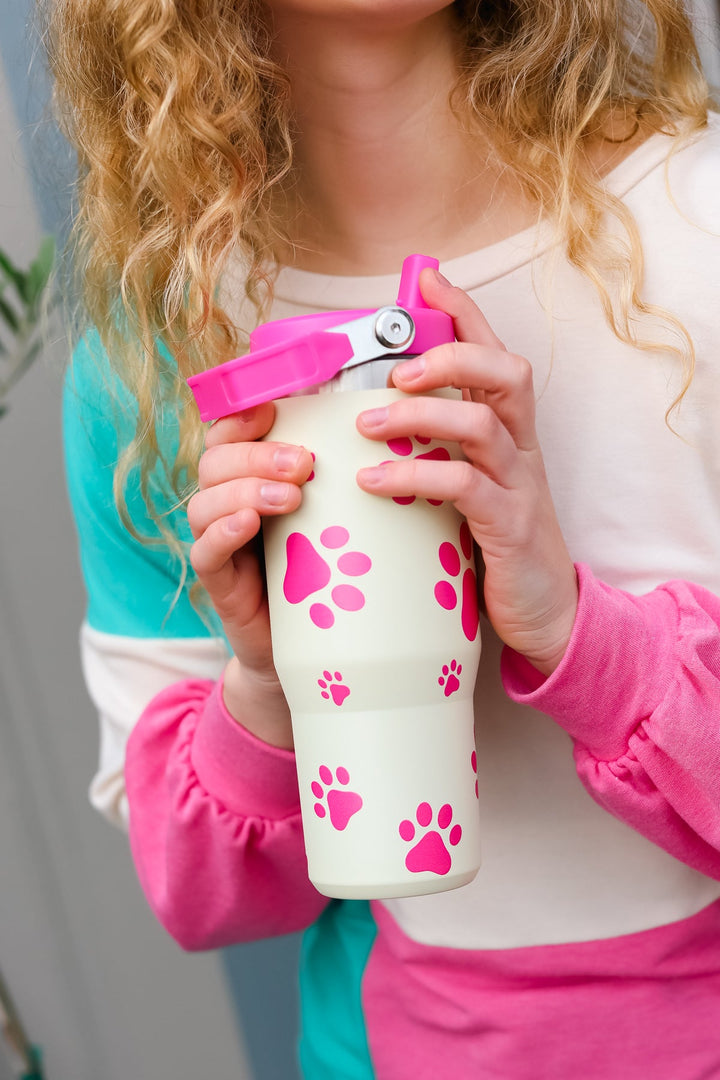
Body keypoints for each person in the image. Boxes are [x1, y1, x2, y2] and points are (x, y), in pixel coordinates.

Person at [49, 0, 720, 1076]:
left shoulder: (699, 243)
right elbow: (200, 894)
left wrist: (575, 629)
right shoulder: (156, 356)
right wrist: (273, 684)